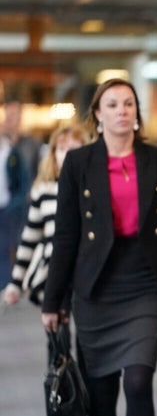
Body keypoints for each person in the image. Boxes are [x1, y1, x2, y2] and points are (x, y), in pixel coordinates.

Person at [41, 78, 157, 416]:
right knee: (101, 397)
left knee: (138, 381)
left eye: (129, 104)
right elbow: (65, 235)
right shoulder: (79, 163)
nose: (123, 110)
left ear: (137, 113)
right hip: (96, 289)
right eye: (113, 104)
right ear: (97, 116)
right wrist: (54, 300)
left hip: (145, 284)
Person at [4, 124, 89, 307]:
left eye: (74, 149)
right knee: (57, 332)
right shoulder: (43, 191)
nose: (67, 155)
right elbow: (30, 238)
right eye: (62, 149)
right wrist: (16, 283)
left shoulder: (95, 189)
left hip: (89, 272)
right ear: (53, 153)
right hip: (55, 273)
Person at [0, 132, 29, 287]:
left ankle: (4, 286)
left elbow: (23, 181)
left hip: (6, 208)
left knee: (4, 248)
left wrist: (15, 203)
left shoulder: (11, 152)